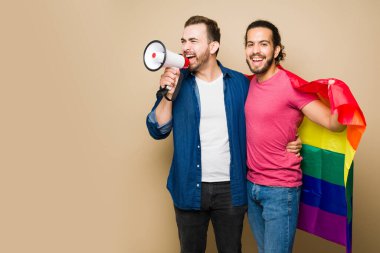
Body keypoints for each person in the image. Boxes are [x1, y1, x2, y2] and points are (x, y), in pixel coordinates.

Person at [146, 16, 301, 253]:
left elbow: (269, 111)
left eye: (194, 41)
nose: (186, 47)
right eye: (183, 41)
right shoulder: (178, 83)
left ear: (213, 46)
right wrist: (168, 94)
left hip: (232, 189)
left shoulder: (241, 83)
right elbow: (158, 129)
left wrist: (289, 141)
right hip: (188, 187)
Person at [243, 20, 346, 253]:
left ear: (276, 50)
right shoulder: (248, 84)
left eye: (263, 44)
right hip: (251, 187)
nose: (255, 50)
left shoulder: (291, 85)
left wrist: (338, 92)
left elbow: (334, 124)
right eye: (250, 44)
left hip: (280, 191)